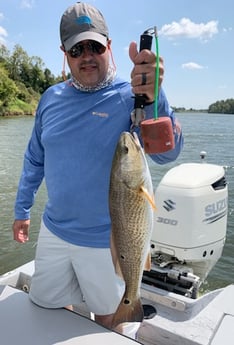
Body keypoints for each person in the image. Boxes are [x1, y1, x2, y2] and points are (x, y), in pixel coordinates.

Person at [12, 1, 183, 335]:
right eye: (77, 48)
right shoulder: (49, 98)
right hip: (54, 231)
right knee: (49, 307)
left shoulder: (132, 96)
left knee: (108, 319)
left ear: (109, 45)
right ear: (65, 52)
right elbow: (35, 159)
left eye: (94, 45)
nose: (87, 55)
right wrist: (22, 208)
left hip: (108, 240)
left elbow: (167, 154)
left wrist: (155, 96)